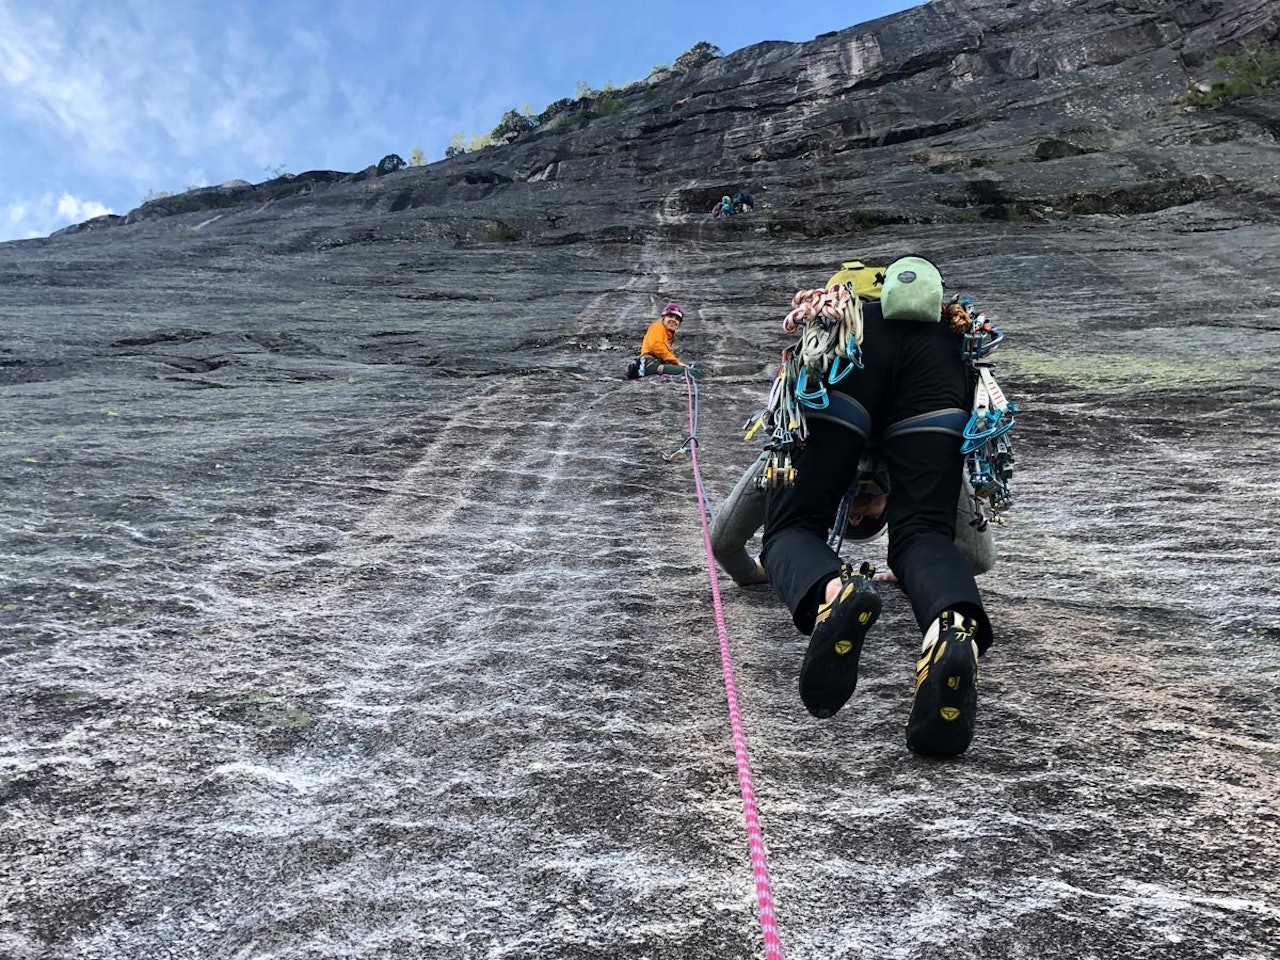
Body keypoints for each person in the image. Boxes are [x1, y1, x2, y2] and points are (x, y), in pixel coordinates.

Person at [760, 256, 993, 758]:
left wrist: (761, 568)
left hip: (850, 346)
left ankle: (837, 594)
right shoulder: (941, 329)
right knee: (925, 532)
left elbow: (725, 537)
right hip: (940, 360)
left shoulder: (855, 312)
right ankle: (951, 631)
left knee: (793, 526)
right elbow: (979, 553)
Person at [710, 448, 995, 587]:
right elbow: (976, 557)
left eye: (854, 516)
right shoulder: (925, 457)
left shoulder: (800, 452)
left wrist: (752, 572)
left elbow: (723, 542)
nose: (855, 519)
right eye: (863, 516)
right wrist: (912, 570)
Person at [625, 302, 704, 379]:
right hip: (650, 364)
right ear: (663, 318)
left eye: (677, 319)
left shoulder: (668, 335)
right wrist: (676, 362)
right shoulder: (657, 327)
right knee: (693, 372)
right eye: (670, 316)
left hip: (655, 364)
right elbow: (656, 346)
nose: (673, 320)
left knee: (696, 368)